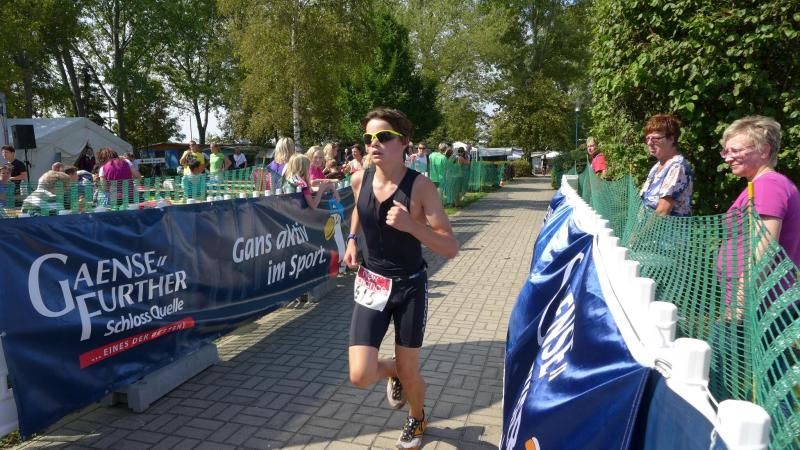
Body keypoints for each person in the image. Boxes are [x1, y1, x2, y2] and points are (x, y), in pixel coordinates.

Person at [344, 107, 458, 450]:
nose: (373, 144)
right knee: (360, 375)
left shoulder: (420, 187)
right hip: (372, 284)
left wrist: (412, 226)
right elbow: (359, 209)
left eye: (383, 136)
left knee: (411, 372)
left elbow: (450, 246)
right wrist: (352, 240)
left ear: (404, 141)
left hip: (409, 287)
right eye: (368, 138)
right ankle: (394, 371)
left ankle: (417, 416)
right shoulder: (359, 179)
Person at [722, 116, 800, 266]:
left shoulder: (768, 186)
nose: (728, 159)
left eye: (735, 151)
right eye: (726, 152)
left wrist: (744, 283)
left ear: (764, 150)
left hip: (762, 282)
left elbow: (764, 253)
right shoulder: (767, 184)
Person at [639, 114, 693, 216]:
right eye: (648, 138)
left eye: (655, 138)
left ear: (671, 139)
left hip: (665, 226)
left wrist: (643, 228)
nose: (649, 143)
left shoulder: (677, 168)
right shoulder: (657, 166)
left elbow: (662, 211)